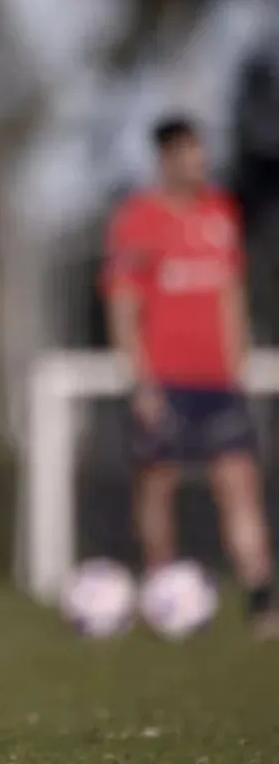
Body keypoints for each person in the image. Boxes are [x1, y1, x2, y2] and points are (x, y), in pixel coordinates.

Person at [103, 113, 278, 638]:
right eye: (190, 152)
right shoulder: (138, 220)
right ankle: (161, 593)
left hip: (219, 381)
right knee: (158, 487)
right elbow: (123, 303)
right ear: (168, 157)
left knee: (239, 485)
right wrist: (141, 380)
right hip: (165, 379)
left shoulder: (221, 213)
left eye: (203, 151)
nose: (200, 162)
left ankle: (262, 598)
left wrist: (237, 360)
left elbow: (230, 292)